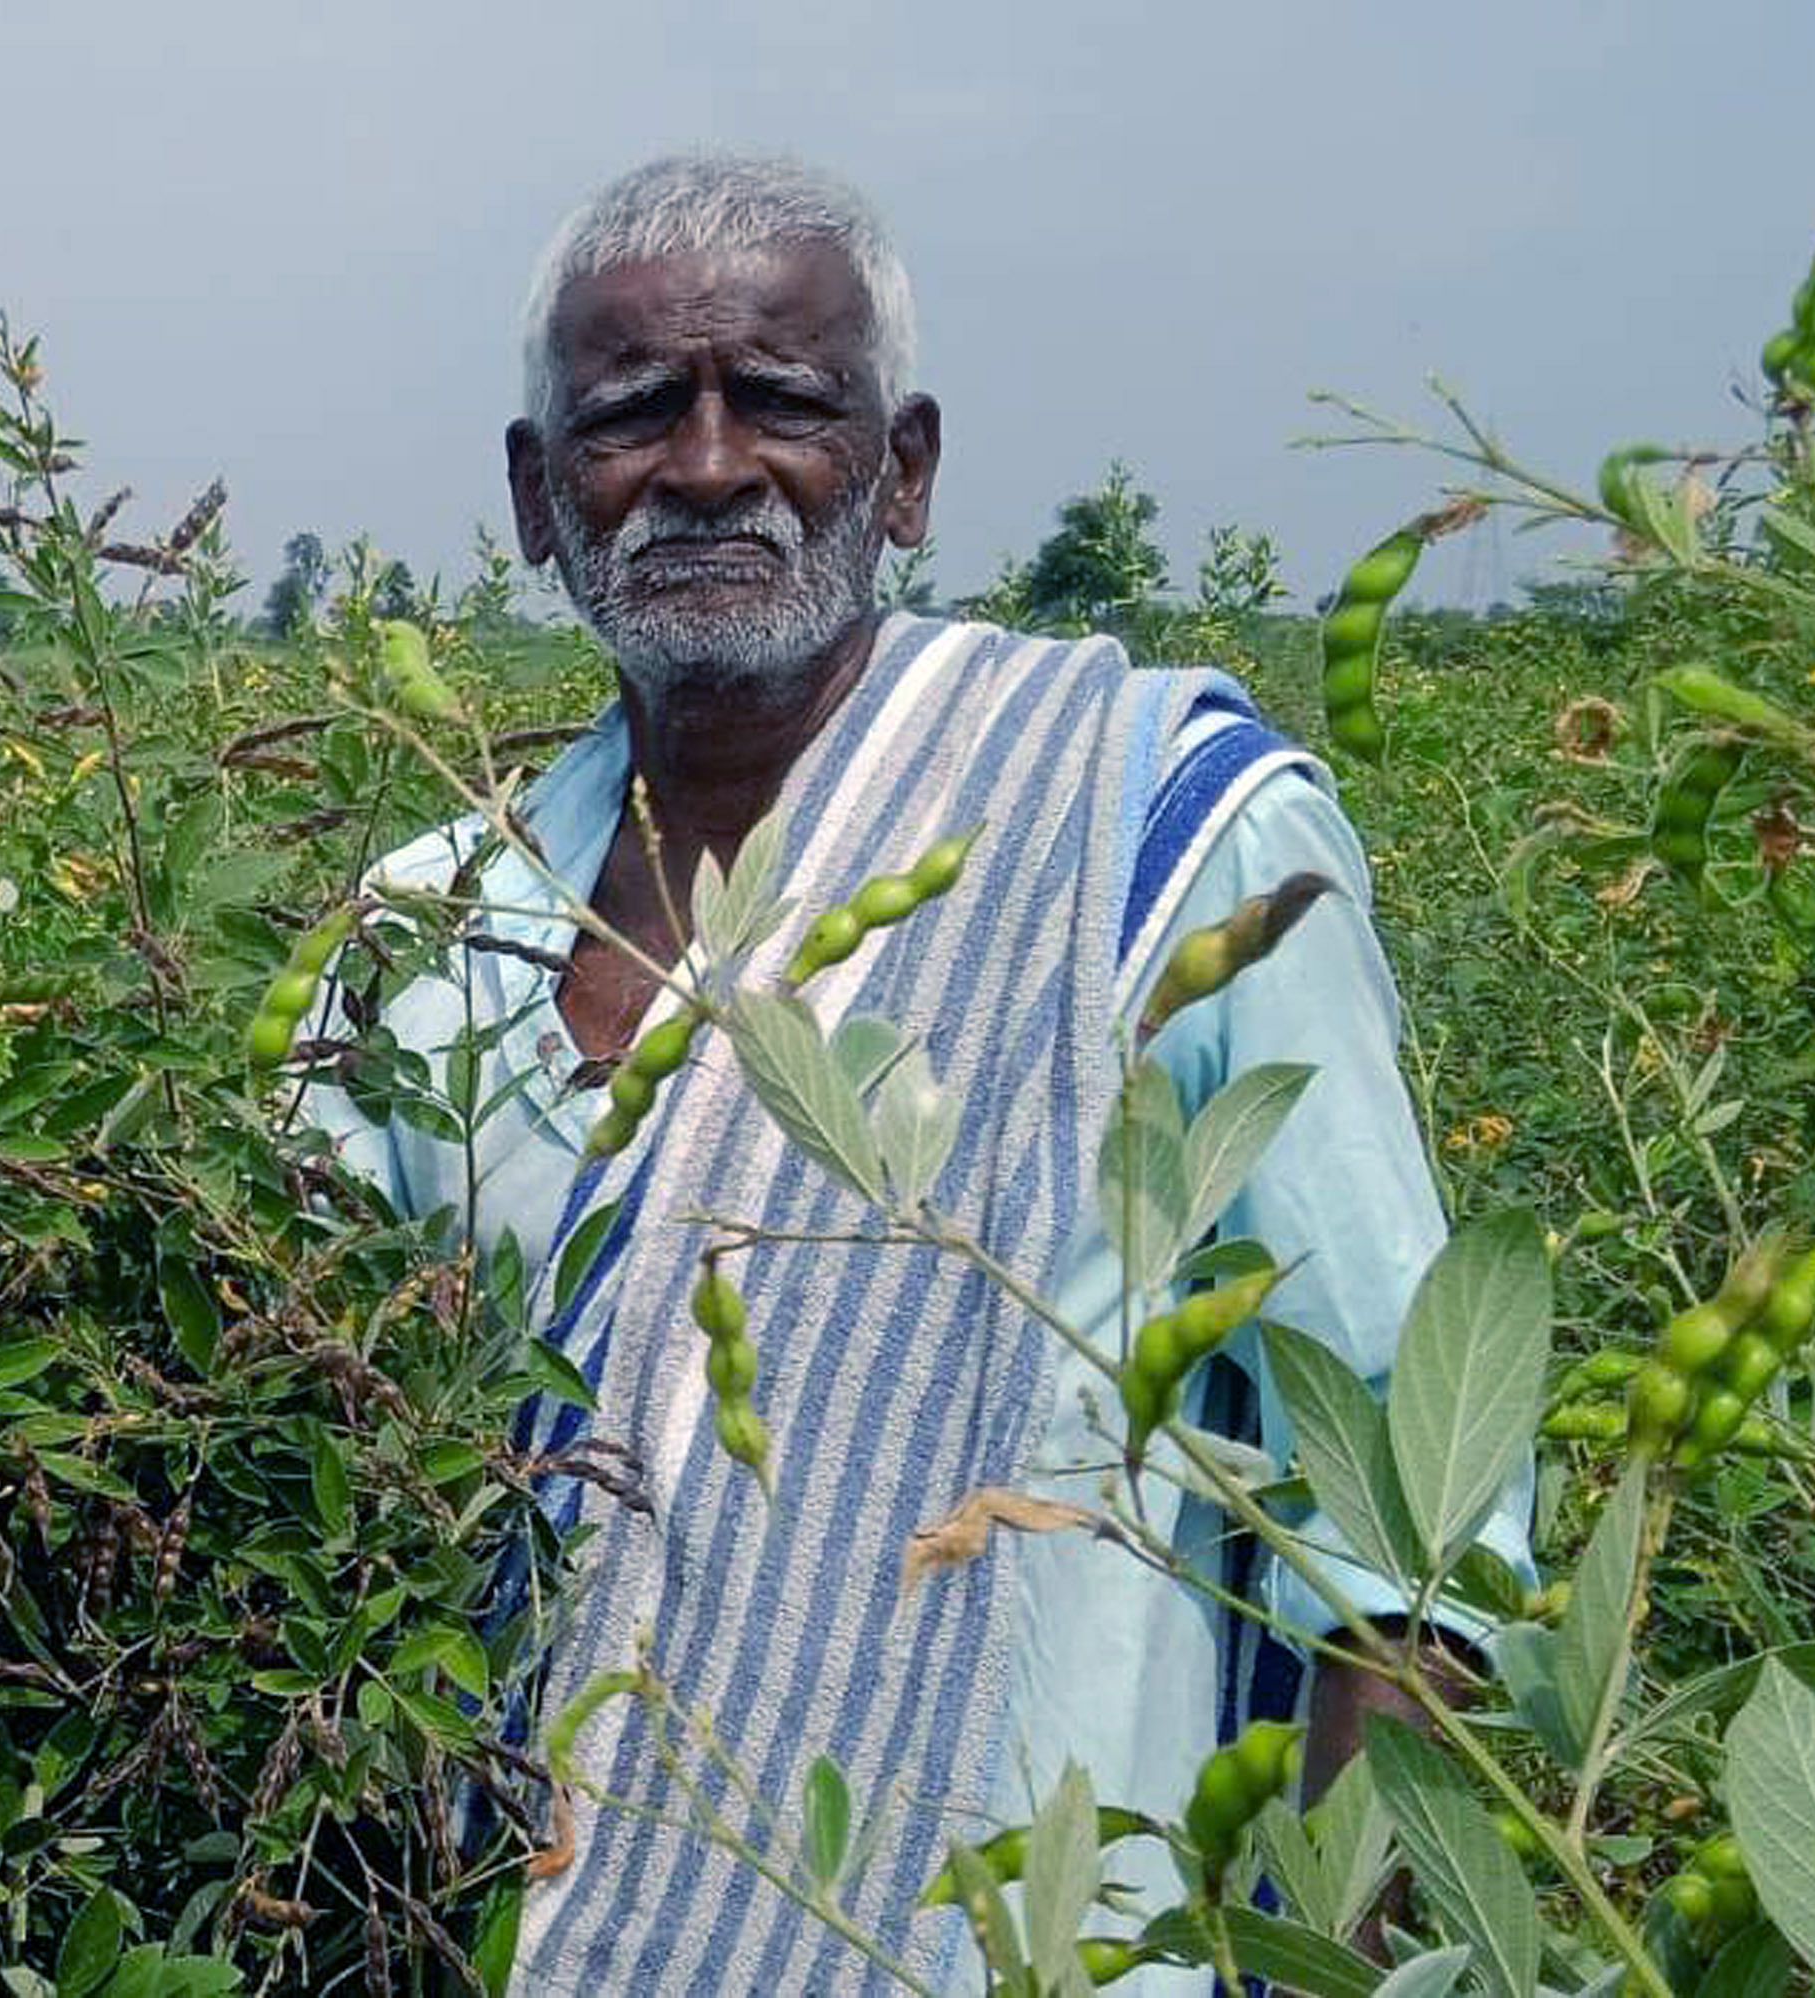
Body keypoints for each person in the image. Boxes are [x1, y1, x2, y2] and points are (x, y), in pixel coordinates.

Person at [284, 154, 1531, 1993]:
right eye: (631, 418)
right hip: (526, 1942)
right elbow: (293, 1466)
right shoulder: (423, 938)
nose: (708, 467)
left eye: (783, 403)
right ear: (539, 500)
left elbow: (1413, 1542)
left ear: (907, 469)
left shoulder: (1156, 841)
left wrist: (1332, 1961)